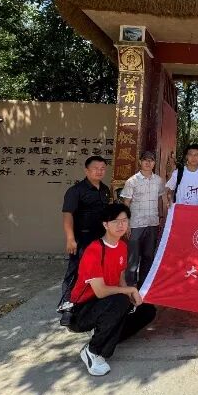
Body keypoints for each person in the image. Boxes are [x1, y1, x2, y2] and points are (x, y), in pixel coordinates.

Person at [69, 203, 156, 376]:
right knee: (120, 300)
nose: (121, 225)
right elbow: (100, 291)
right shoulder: (94, 250)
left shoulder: (122, 247)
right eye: (115, 221)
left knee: (147, 311)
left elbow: (121, 280)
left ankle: (107, 335)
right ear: (105, 224)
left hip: (105, 303)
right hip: (82, 311)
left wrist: (132, 299)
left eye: (124, 220)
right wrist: (128, 291)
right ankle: (93, 350)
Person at [58, 156, 111, 313]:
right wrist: (70, 239)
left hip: (100, 238)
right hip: (82, 237)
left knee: (98, 270)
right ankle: (67, 304)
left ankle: (90, 300)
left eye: (102, 168)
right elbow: (68, 215)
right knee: (76, 270)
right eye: (95, 168)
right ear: (86, 170)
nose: (99, 171)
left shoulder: (105, 190)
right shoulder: (76, 191)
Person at [120, 151, 166, 288]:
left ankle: (144, 285)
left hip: (152, 223)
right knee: (133, 258)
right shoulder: (132, 181)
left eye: (151, 160)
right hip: (136, 224)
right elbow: (126, 203)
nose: (148, 163)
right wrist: (126, 223)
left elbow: (160, 199)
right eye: (145, 160)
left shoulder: (158, 181)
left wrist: (160, 217)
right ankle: (130, 286)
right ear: (140, 161)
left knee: (148, 256)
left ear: (154, 163)